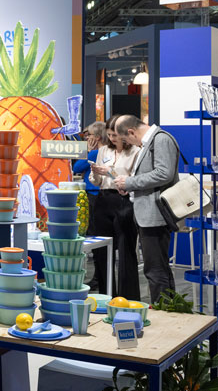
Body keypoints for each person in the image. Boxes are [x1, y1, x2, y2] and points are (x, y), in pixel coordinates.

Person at [114, 114, 179, 303]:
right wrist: (129, 186)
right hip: (148, 214)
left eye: (126, 139)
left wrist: (130, 182)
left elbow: (164, 173)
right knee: (157, 269)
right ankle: (168, 310)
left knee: (156, 270)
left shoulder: (161, 139)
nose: (129, 144)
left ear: (131, 132)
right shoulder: (151, 142)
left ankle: (163, 311)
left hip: (156, 215)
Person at [89, 116, 140, 300]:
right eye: (109, 135)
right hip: (103, 200)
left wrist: (110, 172)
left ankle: (128, 298)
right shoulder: (103, 150)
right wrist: (95, 173)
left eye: (115, 135)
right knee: (101, 251)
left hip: (124, 201)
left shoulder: (136, 152)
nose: (112, 138)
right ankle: (106, 296)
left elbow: (133, 179)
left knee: (126, 251)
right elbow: (96, 182)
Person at [73, 122, 103, 287]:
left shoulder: (96, 152)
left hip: (93, 196)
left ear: (96, 137)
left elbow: (77, 167)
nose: (86, 138)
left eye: (89, 135)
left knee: (93, 235)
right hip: (95, 196)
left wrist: (89, 152)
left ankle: (97, 278)